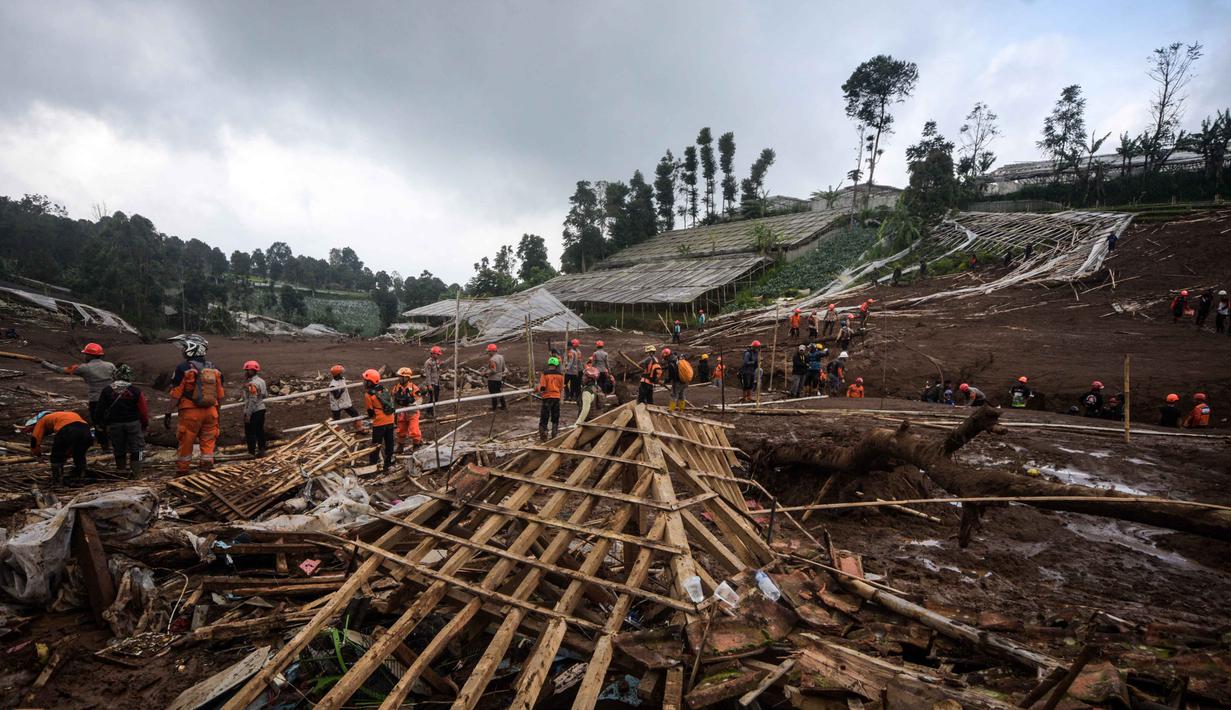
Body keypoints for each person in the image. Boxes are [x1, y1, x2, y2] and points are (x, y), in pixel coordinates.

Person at [41, 342, 115, 451]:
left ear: (89, 355)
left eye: (85, 354)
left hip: (96, 400)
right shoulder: (110, 365)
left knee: (98, 423)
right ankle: (118, 443)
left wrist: (45, 364)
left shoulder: (84, 368)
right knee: (113, 420)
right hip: (112, 398)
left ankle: (105, 446)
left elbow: (63, 370)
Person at [168, 334, 223, 473]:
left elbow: (176, 393)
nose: (182, 350)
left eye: (184, 347)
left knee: (186, 442)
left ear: (192, 348)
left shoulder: (183, 368)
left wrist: (168, 412)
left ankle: (182, 471)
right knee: (208, 442)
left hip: (190, 412)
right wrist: (218, 412)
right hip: (211, 411)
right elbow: (220, 394)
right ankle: (206, 470)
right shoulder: (214, 368)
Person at [97, 364, 148, 476]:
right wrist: (144, 423)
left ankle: (121, 471)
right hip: (133, 423)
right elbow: (143, 410)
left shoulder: (107, 390)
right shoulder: (135, 391)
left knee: (118, 448)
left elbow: (100, 409)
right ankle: (136, 474)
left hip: (114, 424)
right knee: (137, 448)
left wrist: (100, 423)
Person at [26, 410, 92, 484]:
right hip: (86, 430)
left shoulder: (42, 420)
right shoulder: (66, 415)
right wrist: (67, 455)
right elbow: (72, 443)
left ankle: (58, 481)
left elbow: (35, 438)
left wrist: (37, 454)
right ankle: (81, 476)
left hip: (67, 429)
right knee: (79, 455)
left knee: (56, 457)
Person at [363, 369, 397, 469]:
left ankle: (373, 465)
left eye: (366, 380)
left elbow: (370, 413)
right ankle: (388, 464)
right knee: (389, 442)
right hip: (390, 419)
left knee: (376, 445)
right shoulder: (384, 389)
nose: (364, 382)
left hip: (379, 422)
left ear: (370, 382)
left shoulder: (368, 394)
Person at [241, 360, 268, 458]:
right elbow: (265, 395)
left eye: (247, 370)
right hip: (262, 408)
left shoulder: (252, 385)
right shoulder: (262, 381)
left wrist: (248, 414)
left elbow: (252, 400)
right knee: (260, 430)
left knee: (250, 433)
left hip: (254, 411)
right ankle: (262, 450)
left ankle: (251, 453)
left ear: (251, 371)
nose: (245, 372)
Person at [392, 367, 422, 452]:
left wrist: (414, 404)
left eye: (401, 376)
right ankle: (400, 446)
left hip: (412, 412)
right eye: (399, 376)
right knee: (401, 430)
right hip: (401, 412)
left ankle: (416, 445)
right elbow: (393, 400)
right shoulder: (396, 388)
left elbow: (419, 399)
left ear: (407, 377)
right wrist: (394, 412)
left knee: (414, 430)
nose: (399, 378)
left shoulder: (414, 388)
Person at [534, 356, 564, 440]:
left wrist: (537, 389)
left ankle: (544, 435)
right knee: (555, 416)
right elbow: (561, 388)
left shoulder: (545, 374)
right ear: (556, 365)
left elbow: (542, 387)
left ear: (549, 364)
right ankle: (554, 433)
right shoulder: (560, 375)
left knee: (544, 416)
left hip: (547, 398)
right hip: (556, 398)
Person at [663, 348, 689, 412]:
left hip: (677, 382)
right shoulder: (677, 358)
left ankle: (671, 410)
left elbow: (672, 375)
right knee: (681, 395)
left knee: (673, 395)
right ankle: (682, 410)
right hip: (685, 380)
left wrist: (666, 381)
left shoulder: (671, 363)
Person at [423, 346, 444, 417]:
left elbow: (437, 369)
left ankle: (431, 412)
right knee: (432, 398)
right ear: (433, 354)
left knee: (436, 398)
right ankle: (428, 412)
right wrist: (429, 385)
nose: (438, 356)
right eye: (437, 354)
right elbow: (428, 375)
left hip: (436, 382)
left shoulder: (436, 361)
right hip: (432, 383)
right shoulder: (428, 363)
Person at [486, 344, 507, 411]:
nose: (488, 353)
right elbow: (504, 368)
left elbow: (493, 370)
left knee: (493, 393)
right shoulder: (501, 357)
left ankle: (494, 408)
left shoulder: (492, 359)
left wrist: (485, 373)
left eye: (488, 351)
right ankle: (503, 406)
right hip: (499, 378)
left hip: (493, 379)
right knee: (499, 392)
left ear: (492, 351)